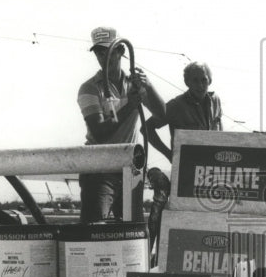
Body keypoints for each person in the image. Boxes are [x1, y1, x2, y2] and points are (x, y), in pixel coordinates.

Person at [77, 26, 166, 222]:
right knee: (93, 228)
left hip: (129, 169)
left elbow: (163, 114)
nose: (103, 57)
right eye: (99, 53)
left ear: (120, 52)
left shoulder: (134, 84)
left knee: (130, 232)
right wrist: (130, 105)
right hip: (99, 170)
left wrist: (148, 86)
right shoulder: (90, 88)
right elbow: (99, 131)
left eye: (107, 52)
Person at [145, 60, 223, 162]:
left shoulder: (215, 100)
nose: (200, 85)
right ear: (187, 82)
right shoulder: (177, 105)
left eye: (204, 80)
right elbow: (147, 128)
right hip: (186, 167)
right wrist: (169, 155)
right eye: (195, 80)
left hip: (211, 165)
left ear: (210, 81)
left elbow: (221, 132)